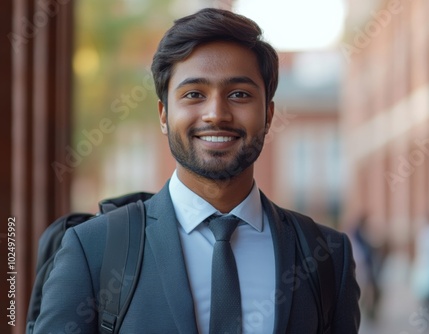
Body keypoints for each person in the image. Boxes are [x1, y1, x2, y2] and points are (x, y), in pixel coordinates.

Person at [33, 8, 360, 333]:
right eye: (194, 94)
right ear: (163, 114)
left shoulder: (328, 257)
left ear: (269, 114)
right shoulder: (93, 249)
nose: (216, 114)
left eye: (239, 94)